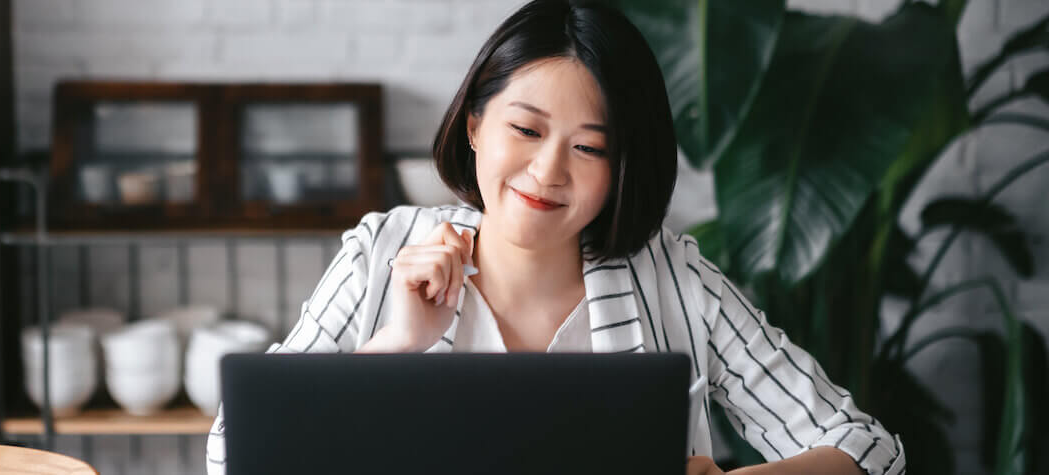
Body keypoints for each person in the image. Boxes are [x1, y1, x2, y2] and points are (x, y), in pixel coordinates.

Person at [206, 1, 905, 473]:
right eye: (527, 129)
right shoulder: (381, 253)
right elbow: (233, 453)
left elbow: (867, 449)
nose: (548, 172)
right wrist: (396, 346)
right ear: (475, 124)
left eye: (590, 148)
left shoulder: (674, 280)